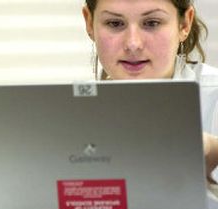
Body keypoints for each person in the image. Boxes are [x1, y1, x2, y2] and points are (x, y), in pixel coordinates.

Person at [82, 0, 218, 198]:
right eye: (114, 24)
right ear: (89, 23)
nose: (133, 44)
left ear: (184, 24)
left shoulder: (213, 95)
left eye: (152, 23)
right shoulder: (71, 111)